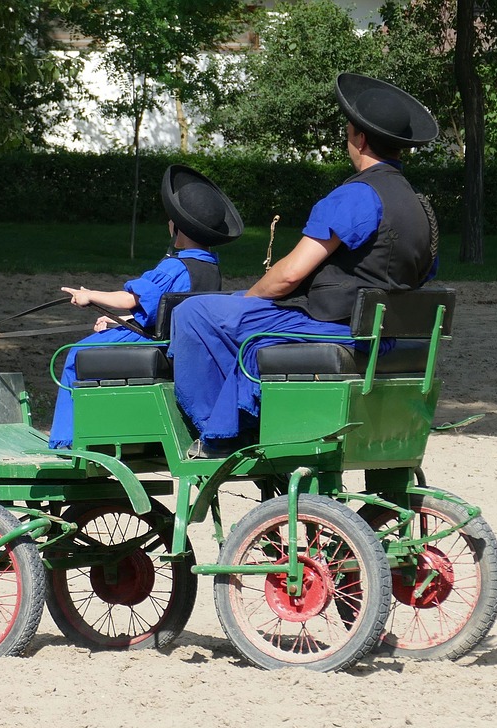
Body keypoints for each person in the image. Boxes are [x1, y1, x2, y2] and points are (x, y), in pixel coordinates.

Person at [168, 72, 440, 457]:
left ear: (360, 138)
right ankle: (241, 414)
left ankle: (220, 432)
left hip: (338, 328)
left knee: (196, 311)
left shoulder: (355, 197)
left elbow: (290, 274)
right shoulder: (420, 206)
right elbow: (421, 272)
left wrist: (249, 297)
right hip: (386, 332)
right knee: (226, 308)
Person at [47, 165, 243, 449]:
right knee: (96, 342)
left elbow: (133, 299)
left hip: (152, 340)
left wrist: (89, 295)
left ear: (177, 228)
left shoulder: (174, 266)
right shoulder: (210, 267)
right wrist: (118, 321)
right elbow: (164, 309)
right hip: (173, 340)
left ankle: (66, 440)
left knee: (76, 356)